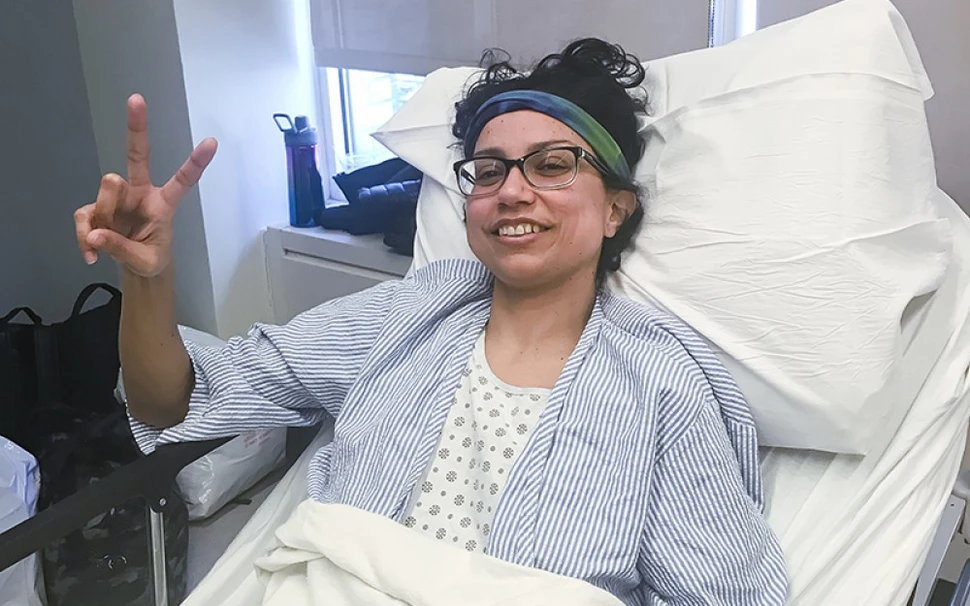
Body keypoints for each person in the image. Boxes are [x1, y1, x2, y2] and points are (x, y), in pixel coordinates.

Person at [74, 38, 788, 605]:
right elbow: (174, 398)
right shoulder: (413, 312)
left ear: (614, 210)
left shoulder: (662, 384)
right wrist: (149, 278)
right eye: (489, 170)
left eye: (553, 164)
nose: (512, 191)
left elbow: (723, 592)